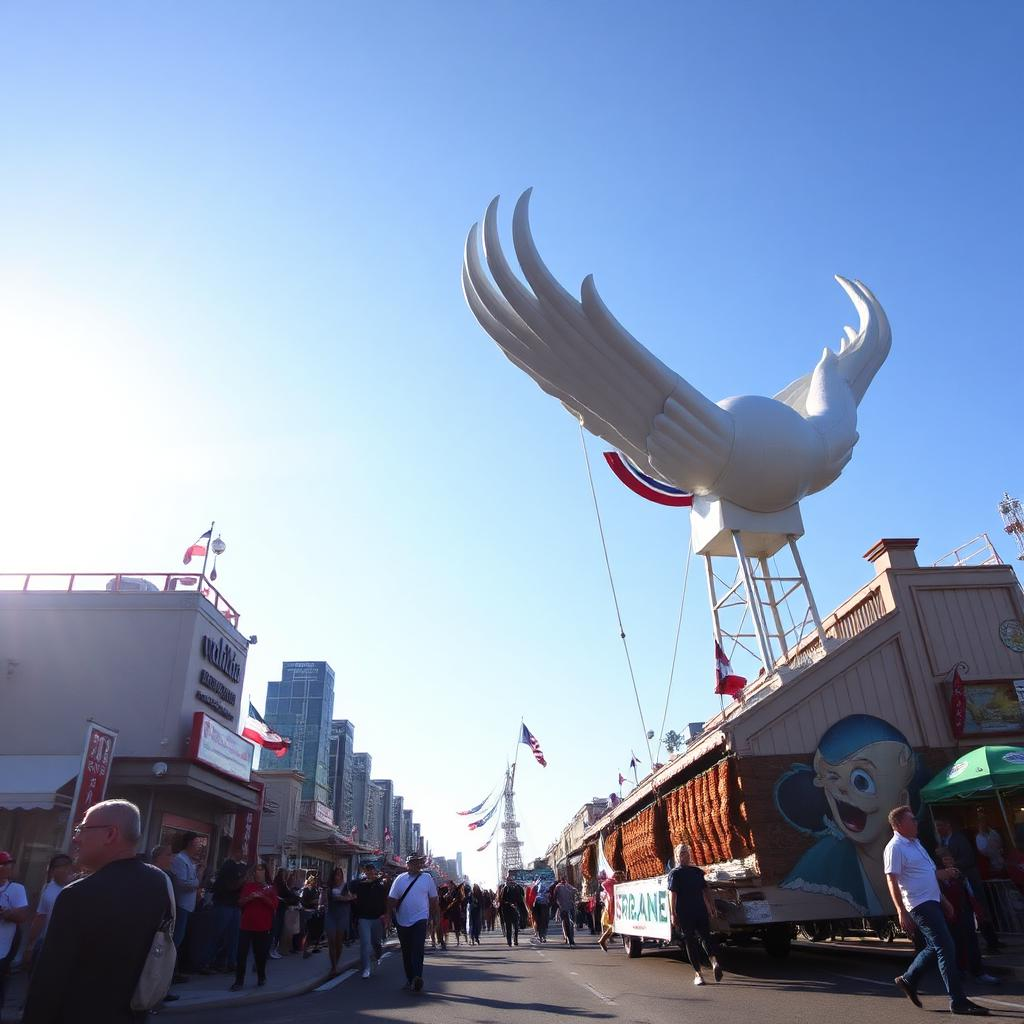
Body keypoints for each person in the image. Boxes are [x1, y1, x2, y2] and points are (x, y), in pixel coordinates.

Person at [22, 799, 173, 1024]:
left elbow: (49, 981)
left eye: (82, 829)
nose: (76, 838)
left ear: (111, 834)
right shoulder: (160, 883)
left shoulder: (78, 894)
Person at [884, 805, 989, 1016]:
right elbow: (892, 880)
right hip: (919, 904)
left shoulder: (916, 843)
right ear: (898, 825)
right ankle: (958, 1000)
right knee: (946, 947)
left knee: (936, 946)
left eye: (915, 819)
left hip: (932, 900)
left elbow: (929, 875)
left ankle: (908, 979)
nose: (916, 823)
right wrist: (900, 911)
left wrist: (943, 899)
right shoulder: (895, 847)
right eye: (911, 820)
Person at [935, 817, 1002, 954]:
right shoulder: (942, 842)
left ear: (947, 825)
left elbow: (969, 858)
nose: (938, 829)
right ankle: (983, 943)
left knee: (981, 909)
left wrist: (952, 864)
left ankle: (992, 942)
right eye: (937, 826)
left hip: (970, 880)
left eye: (940, 825)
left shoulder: (958, 839)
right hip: (960, 883)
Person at [935, 847, 999, 985]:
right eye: (945, 860)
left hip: (964, 911)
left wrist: (976, 909)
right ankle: (959, 970)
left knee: (971, 940)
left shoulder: (960, 875)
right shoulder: (938, 879)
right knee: (955, 943)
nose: (949, 862)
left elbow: (969, 893)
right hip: (949, 914)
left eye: (950, 859)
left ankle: (978, 971)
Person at [667, 843, 723, 986]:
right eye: (682, 854)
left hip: (686, 912)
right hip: (699, 909)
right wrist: (711, 907)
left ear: (678, 857)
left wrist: (673, 914)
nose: (683, 856)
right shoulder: (697, 872)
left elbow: (673, 895)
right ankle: (714, 961)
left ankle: (698, 974)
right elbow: (706, 890)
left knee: (690, 942)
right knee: (705, 937)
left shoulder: (675, 874)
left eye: (683, 854)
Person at [387, 853, 438, 993]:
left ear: (421, 865)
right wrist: (387, 917)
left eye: (417, 863)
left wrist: (434, 917)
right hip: (402, 920)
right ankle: (410, 979)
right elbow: (391, 899)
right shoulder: (400, 879)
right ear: (407, 864)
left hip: (420, 919)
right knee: (406, 951)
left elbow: (433, 900)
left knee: (418, 948)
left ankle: (417, 977)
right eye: (412, 863)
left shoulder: (427, 878)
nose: (415, 865)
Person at [21, 854, 74, 972]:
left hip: (69, 946)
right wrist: (30, 946)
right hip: (46, 943)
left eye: (67, 866)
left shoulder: (78, 888)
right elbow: (40, 917)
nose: (64, 870)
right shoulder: (48, 888)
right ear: (52, 870)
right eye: (59, 867)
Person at [231, 863, 278, 991]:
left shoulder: (270, 888)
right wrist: (248, 899)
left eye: (261, 870)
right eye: (256, 870)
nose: (258, 872)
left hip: (262, 926)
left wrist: (262, 897)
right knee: (241, 954)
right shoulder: (248, 886)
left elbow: (274, 906)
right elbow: (240, 903)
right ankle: (239, 980)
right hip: (246, 925)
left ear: (265, 872)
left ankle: (261, 976)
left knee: (260, 954)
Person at [199, 857, 244, 974]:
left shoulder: (231, 872)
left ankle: (228, 962)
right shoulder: (225, 876)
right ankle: (205, 962)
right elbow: (232, 886)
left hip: (234, 906)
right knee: (217, 935)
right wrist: (244, 878)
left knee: (232, 937)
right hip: (224, 906)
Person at [0, 850, 31, 1015]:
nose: (8, 868)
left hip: (4, 946)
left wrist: (6, 913)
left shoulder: (16, 889)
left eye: (9, 865)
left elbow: (23, 915)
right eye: (5, 865)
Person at [168, 833, 202, 964]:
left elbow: (193, 880)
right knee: (177, 937)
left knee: (180, 938)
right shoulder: (180, 859)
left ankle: (173, 968)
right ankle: (168, 969)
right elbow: (182, 883)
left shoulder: (189, 860)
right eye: (197, 844)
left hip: (188, 905)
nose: (199, 847)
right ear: (189, 844)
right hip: (181, 904)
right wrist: (195, 883)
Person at [351, 862, 389, 978]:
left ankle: (378, 956)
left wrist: (385, 915)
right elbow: (351, 886)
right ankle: (366, 968)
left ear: (375, 872)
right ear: (365, 872)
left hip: (377, 918)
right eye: (367, 871)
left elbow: (385, 900)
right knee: (365, 944)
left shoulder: (380, 885)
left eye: (372, 871)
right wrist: (363, 881)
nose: (370, 873)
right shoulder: (360, 884)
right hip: (364, 918)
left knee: (376, 943)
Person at [324, 867, 354, 974]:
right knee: (331, 941)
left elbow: (352, 897)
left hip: (342, 915)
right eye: (336, 874)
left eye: (340, 874)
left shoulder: (346, 886)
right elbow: (326, 899)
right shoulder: (329, 886)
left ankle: (336, 963)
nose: (338, 876)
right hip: (331, 914)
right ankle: (333, 967)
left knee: (338, 942)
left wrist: (343, 898)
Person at [269, 869, 299, 958]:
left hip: (282, 909)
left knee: (278, 930)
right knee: (276, 930)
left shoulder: (283, 884)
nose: (286, 876)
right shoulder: (279, 885)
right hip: (278, 909)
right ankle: (272, 950)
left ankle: (274, 949)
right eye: (285, 874)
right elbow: (284, 895)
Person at [497, 872, 526, 947]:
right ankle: (509, 941)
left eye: (511, 880)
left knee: (516, 927)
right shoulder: (504, 889)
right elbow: (502, 900)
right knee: (508, 927)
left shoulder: (517, 888)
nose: (510, 881)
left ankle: (515, 940)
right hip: (506, 911)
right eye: (509, 880)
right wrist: (509, 904)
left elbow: (520, 898)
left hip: (515, 910)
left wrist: (518, 906)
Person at [974, 809, 1005, 875]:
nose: (983, 824)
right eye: (981, 822)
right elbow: (983, 852)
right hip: (990, 865)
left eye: (984, 821)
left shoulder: (994, 833)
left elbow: (1000, 844)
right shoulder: (979, 837)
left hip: (1002, 861)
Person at [597, 871, 622, 952]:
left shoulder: (617, 884)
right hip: (611, 909)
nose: (621, 878)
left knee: (613, 927)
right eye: (619, 876)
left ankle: (603, 940)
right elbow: (604, 884)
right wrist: (612, 880)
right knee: (613, 926)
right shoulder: (610, 884)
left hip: (615, 907)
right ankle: (602, 940)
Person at [552, 877, 578, 947]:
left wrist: (558, 904)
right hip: (569, 907)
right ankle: (570, 939)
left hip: (563, 907)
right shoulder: (568, 886)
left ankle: (567, 937)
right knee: (571, 922)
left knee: (565, 922)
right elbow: (575, 891)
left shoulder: (558, 887)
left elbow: (554, 897)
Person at [533, 877, 553, 942]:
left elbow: (533, 896)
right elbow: (550, 896)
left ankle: (540, 936)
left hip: (537, 905)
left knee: (539, 921)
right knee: (545, 921)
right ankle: (543, 936)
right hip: (544, 905)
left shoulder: (536, 885)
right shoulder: (548, 885)